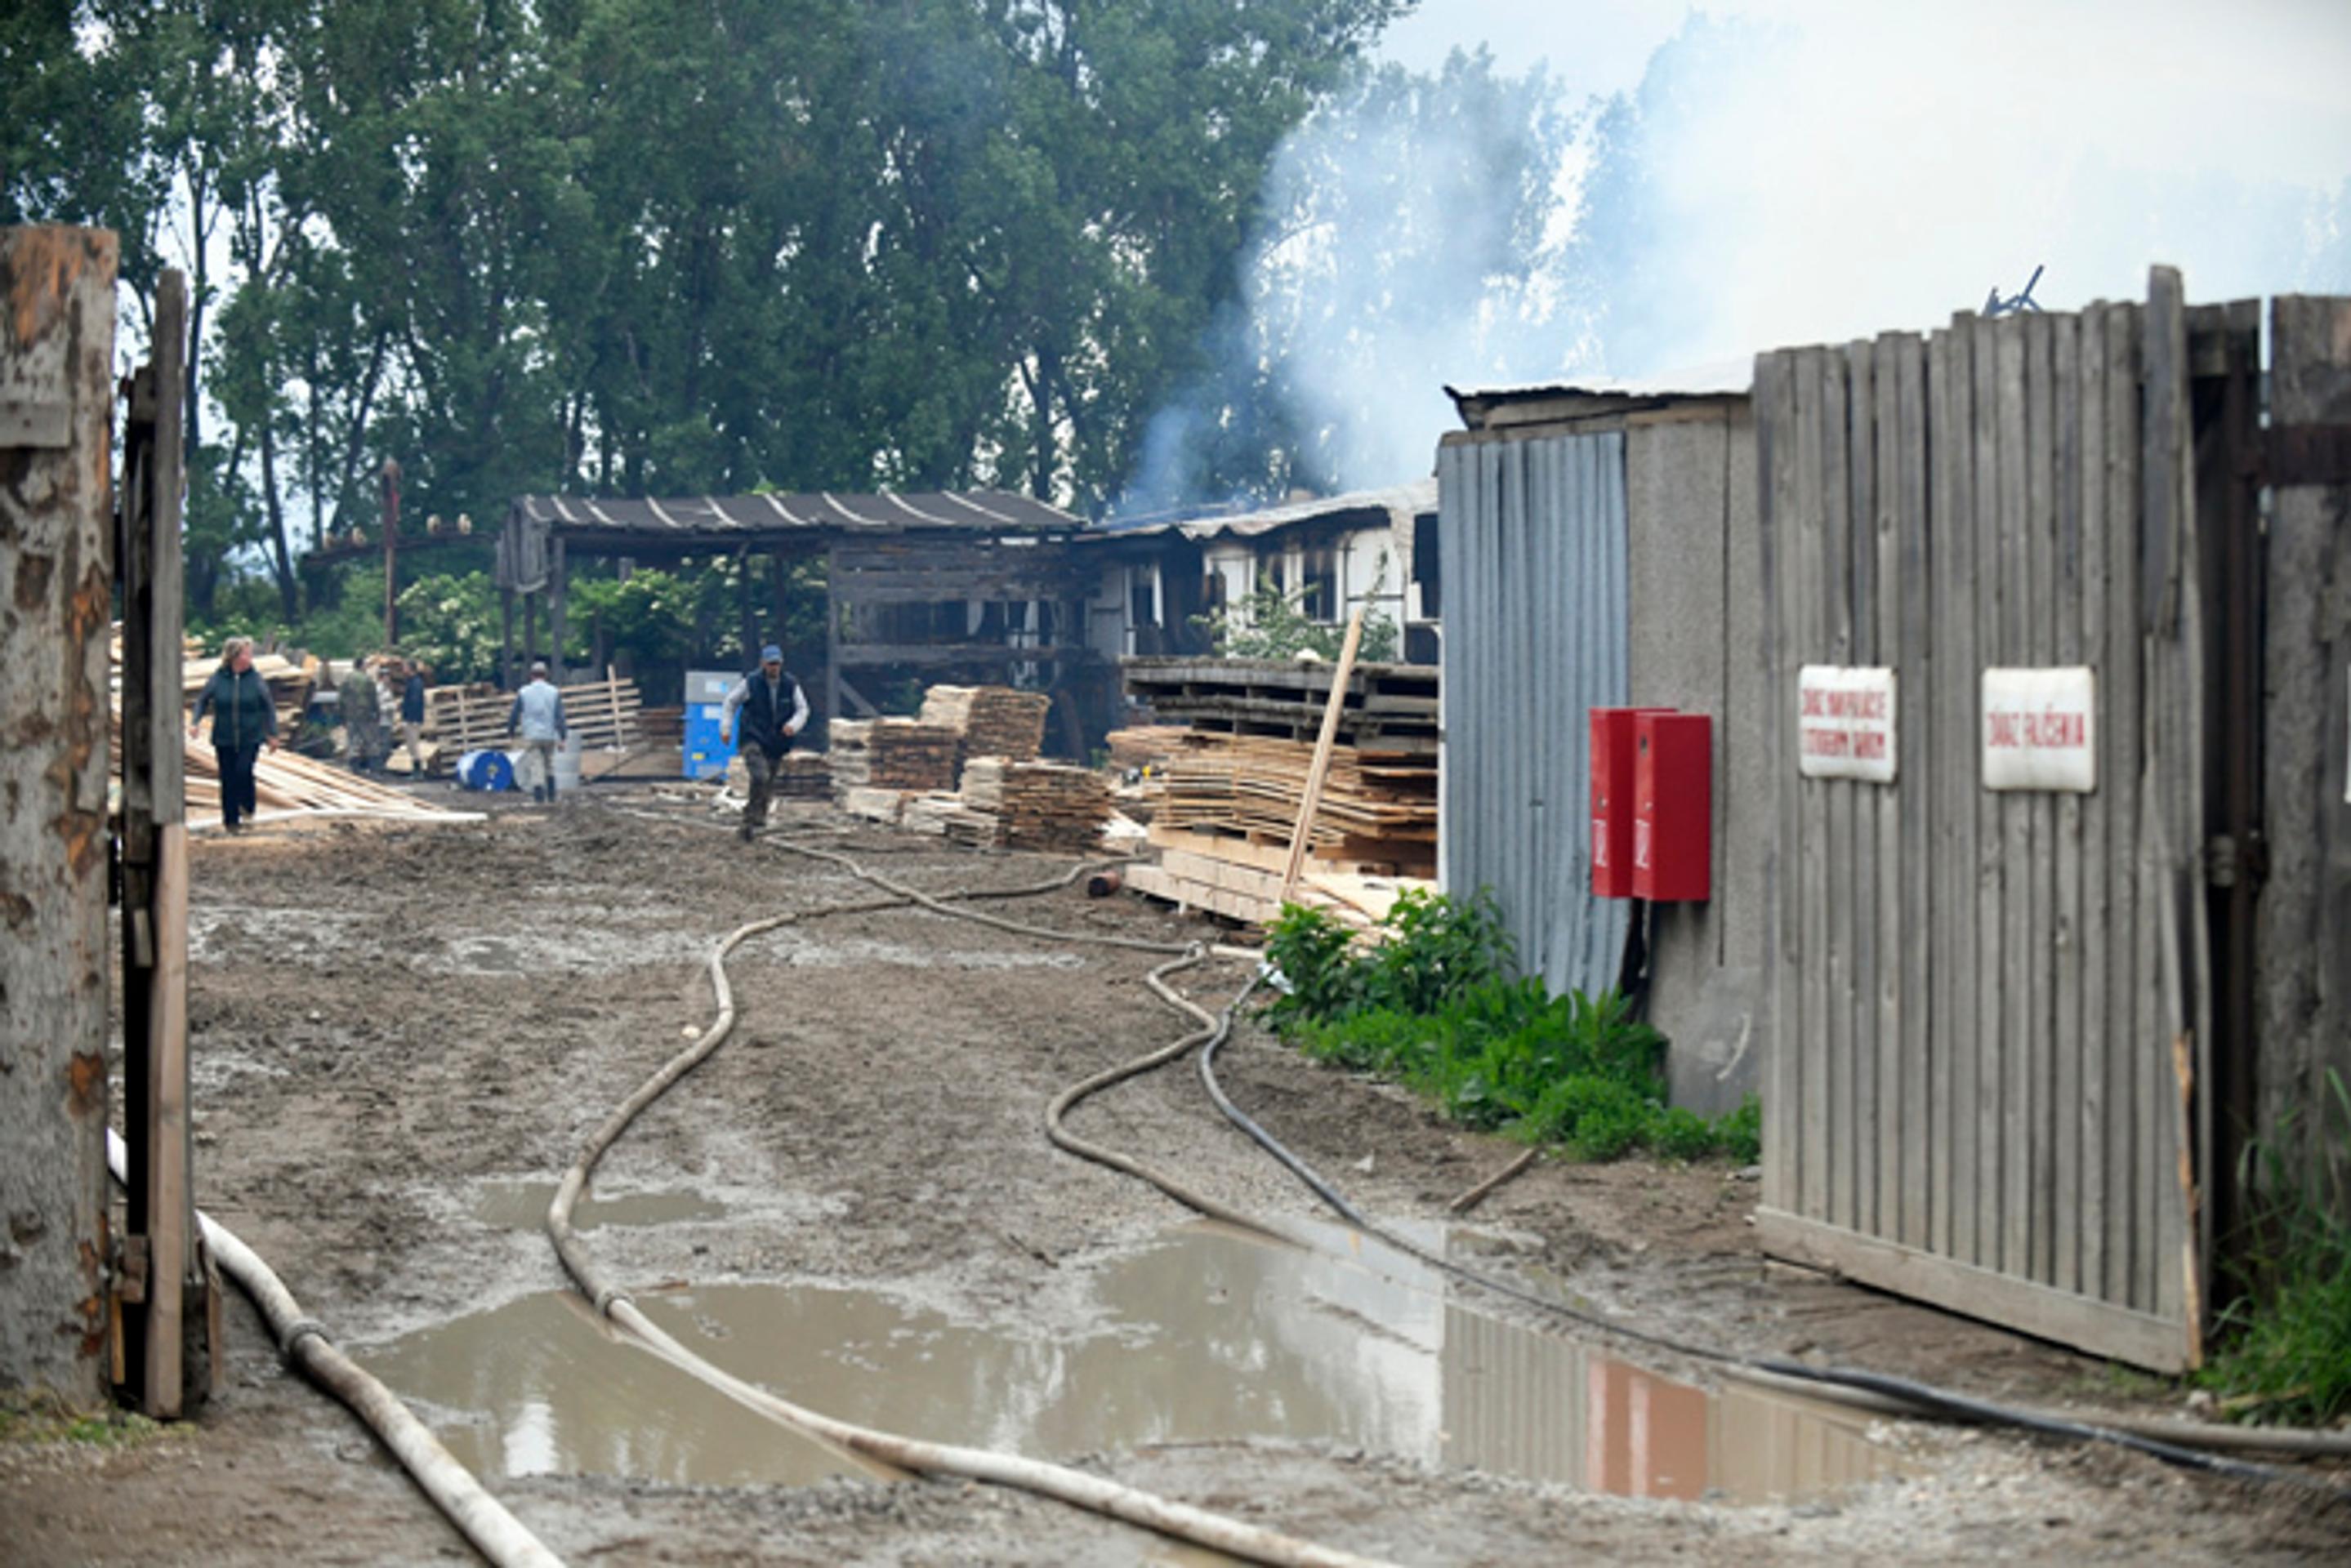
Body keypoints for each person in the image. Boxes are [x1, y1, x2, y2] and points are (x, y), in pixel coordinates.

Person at [188, 635, 280, 832]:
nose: (250, 657)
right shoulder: (218, 679)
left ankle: (247, 807)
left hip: (250, 736)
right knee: (228, 777)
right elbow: (202, 701)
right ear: (235, 656)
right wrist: (195, 722)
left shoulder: (255, 680)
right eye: (247, 653)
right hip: (224, 737)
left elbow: (268, 707)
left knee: (243, 771)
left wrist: (272, 734)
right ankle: (230, 820)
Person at [720, 644, 809, 840]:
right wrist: (725, 728)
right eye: (770, 664)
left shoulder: (791, 684)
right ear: (763, 663)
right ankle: (749, 818)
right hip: (752, 736)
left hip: (777, 741)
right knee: (760, 775)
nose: (774, 668)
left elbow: (802, 709)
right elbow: (730, 703)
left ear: (781, 663)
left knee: (768, 781)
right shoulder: (751, 682)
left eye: (777, 664)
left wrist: (793, 725)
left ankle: (759, 819)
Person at [505, 660, 568, 803]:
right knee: (549, 764)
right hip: (549, 734)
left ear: (531, 675)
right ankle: (552, 796)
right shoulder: (554, 692)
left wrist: (511, 733)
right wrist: (563, 737)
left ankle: (539, 797)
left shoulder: (524, 692)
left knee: (536, 765)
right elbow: (560, 716)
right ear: (546, 675)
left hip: (531, 734)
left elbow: (515, 714)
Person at [399, 659, 430, 776]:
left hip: (413, 719)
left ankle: (418, 770)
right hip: (411, 718)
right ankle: (416, 769)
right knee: (411, 745)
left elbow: (415, 701)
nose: (403, 670)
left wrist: (411, 718)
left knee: (414, 745)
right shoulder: (411, 681)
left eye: (405, 667)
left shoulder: (416, 683)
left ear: (410, 669)